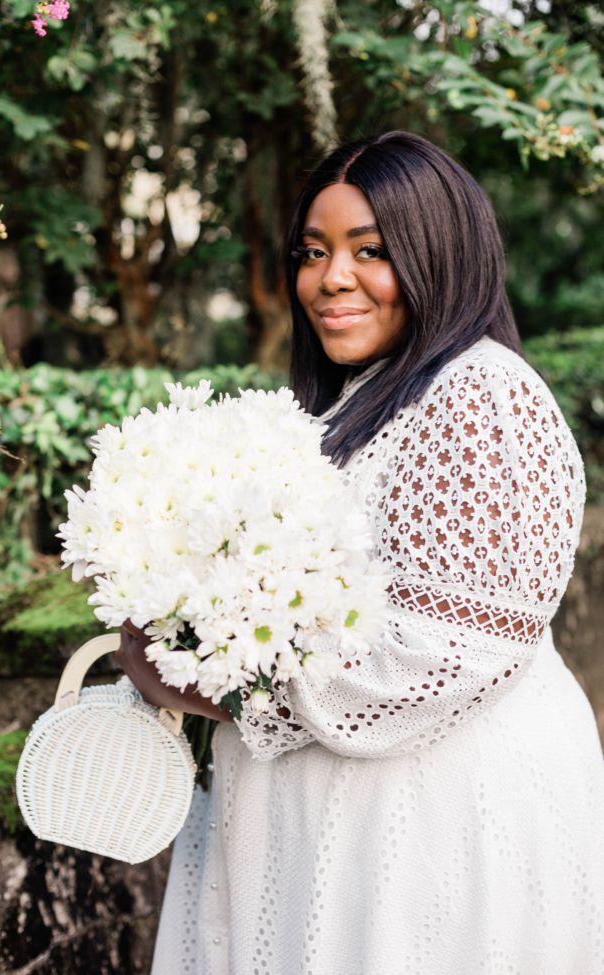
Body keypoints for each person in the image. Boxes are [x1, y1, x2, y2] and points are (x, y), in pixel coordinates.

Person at [117, 132, 604, 975]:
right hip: (325, 823)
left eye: (368, 250)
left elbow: (448, 652)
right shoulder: (358, 398)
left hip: (429, 829)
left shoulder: (482, 393)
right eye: (313, 251)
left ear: (439, 253)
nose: (330, 278)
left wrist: (223, 687)